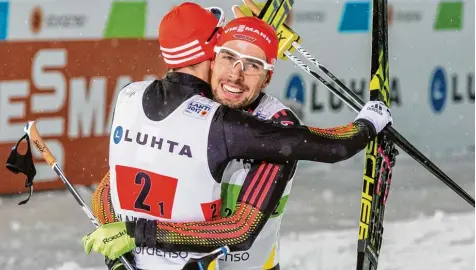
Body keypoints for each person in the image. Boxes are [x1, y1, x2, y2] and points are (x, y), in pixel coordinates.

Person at [82, 2, 393, 270]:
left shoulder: (273, 123)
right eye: (228, 57)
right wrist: (119, 252)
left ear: (268, 74)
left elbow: (240, 229)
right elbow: (113, 186)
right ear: (212, 56)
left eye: (251, 65)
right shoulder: (186, 113)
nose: (234, 74)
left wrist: (365, 126)